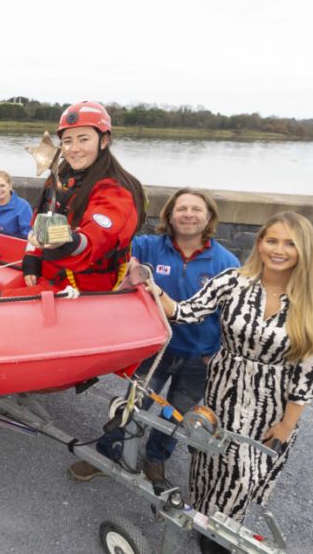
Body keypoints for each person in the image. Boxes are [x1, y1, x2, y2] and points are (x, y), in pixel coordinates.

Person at [153, 212, 313, 551]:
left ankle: (219, 539)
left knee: (240, 476)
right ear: (260, 243)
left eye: (289, 243)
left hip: (271, 404)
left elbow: (312, 372)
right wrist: (151, 284)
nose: (278, 250)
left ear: (304, 251)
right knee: (206, 463)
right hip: (222, 389)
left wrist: (286, 425)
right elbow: (185, 312)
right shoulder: (233, 281)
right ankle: (203, 526)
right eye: (272, 240)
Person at [69, 188, 239, 484]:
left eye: (196, 209)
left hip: (198, 358)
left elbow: (233, 316)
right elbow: (111, 249)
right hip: (153, 349)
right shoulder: (149, 246)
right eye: (181, 208)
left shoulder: (226, 263)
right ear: (170, 216)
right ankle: (109, 452)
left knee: (176, 417)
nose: (188, 214)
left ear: (209, 216)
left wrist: (220, 354)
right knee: (133, 407)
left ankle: (156, 459)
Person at [6, 101, 146, 296]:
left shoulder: (116, 191)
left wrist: (63, 241)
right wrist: (32, 256)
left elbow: (94, 241)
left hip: (83, 288)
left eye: (83, 139)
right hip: (51, 274)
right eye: (68, 141)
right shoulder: (60, 177)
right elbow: (39, 222)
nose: (74, 148)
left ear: (103, 141)